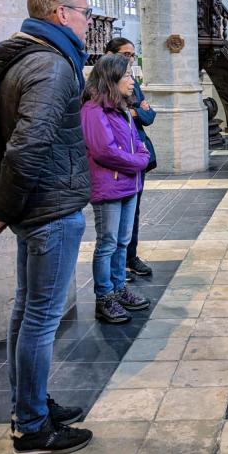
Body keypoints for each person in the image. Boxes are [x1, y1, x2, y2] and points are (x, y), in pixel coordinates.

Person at [0, 0, 93, 453]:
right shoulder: (51, 64)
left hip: (34, 205)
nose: (88, 20)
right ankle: (31, 424)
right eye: (84, 11)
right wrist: (1, 208)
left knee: (27, 312)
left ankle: (31, 403)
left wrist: (2, 205)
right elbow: (29, 145)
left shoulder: (25, 56)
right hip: (48, 206)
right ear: (60, 14)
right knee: (40, 319)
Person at [81, 55, 151, 324]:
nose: (132, 82)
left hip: (129, 184)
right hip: (109, 185)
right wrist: (137, 163)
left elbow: (137, 139)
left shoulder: (122, 107)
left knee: (122, 241)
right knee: (107, 243)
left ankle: (119, 289)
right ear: (112, 79)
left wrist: (141, 156)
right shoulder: (93, 110)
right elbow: (103, 151)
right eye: (127, 77)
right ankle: (104, 297)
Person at [104, 38, 157, 278]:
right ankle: (114, 268)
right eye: (126, 55)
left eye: (133, 55)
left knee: (132, 211)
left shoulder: (132, 83)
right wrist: (132, 112)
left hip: (137, 155)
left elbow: (149, 115)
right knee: (112, 219)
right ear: (110, 54)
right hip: (116, 160)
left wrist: (131, 111)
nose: (130, 60)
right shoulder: (101, 86)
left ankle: (130, 256)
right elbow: (106, 118)